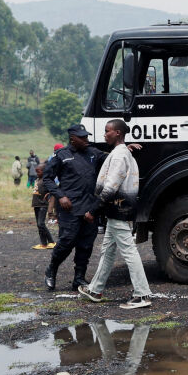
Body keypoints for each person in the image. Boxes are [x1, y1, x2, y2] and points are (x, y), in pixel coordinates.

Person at [79, 120, 153, 310]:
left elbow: (111, 186)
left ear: (118, 133)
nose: (104, 134)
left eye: (107, 131)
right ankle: (95, 290)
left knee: (129, 251)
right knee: (108, 250)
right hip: (116, 209)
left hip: (119, 208)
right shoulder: (121, 152)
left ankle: (142, 294)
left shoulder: (120, 155)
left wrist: (93, 210)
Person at [42, 124, 107, 291]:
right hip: (69, 207)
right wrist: (60, 195)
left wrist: (124, 148)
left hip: (89, 206)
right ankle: (52, 270)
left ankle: (79, 278)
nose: (86, 140)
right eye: (82, 137)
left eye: (86, 136)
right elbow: (47, 178)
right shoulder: (61, 155)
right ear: (73, 139)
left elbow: (111, 158)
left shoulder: (93, 153)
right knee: (67, 241)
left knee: (86, 244)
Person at [31, 163, 54, 250]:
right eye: (36, 172)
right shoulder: (38, 179)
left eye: (38, 171)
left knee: (41, 224)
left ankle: (51, 241)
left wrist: (49, 194)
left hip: (42, 205)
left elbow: (53, 189)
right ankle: (43, 243)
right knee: (38, 225)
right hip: (36, 204)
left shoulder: (46, 180)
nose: (37, 173)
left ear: (44, 172)